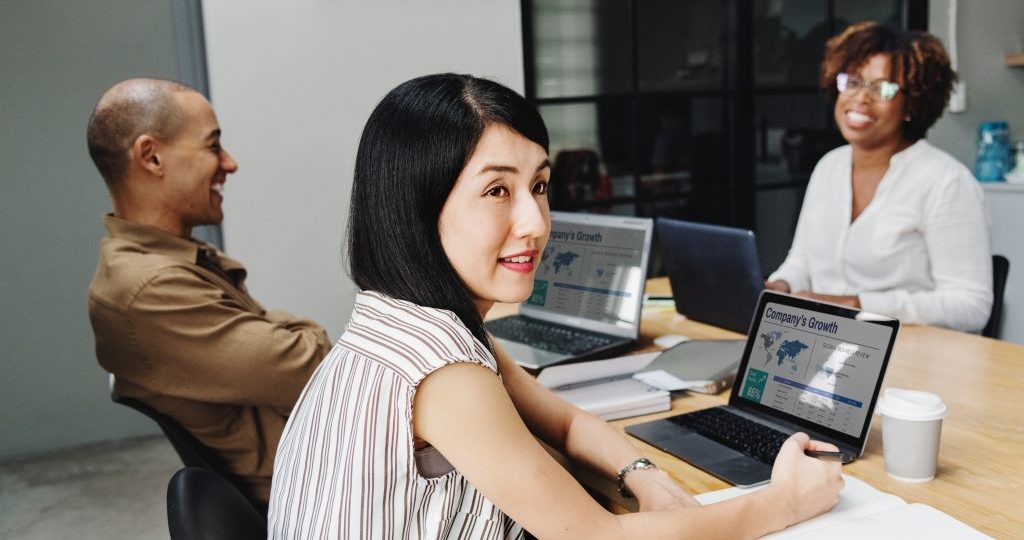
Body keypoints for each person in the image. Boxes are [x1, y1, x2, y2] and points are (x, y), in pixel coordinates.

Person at [268, 73, 843, 539]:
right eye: (497, 191)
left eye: (539, 186)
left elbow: (566, 422)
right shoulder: (442, 370)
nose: (536, 223)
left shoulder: (405, 318)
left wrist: (645, 476)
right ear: (416, 208)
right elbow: (596, 538)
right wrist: (785, 502)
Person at [86, 78, 332, 507]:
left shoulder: (174, 259)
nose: (229, 163)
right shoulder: (149, 288)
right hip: (321, 493)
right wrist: (297, 333)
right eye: (212, 146)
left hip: (324, 461)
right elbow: (314, 369)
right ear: (151, 156)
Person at [766, 22, 993, 333]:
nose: (861, 98)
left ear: (911, 104)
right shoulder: (829, 166)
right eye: (852, 82)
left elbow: (971, 305)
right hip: (822, 340)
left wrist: (857, 305)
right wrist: (780, 285)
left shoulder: (946, 181)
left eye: (883, 88)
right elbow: (802, 262)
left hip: (910, 351)